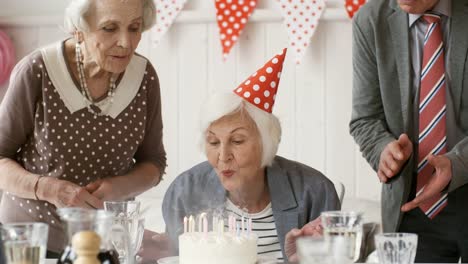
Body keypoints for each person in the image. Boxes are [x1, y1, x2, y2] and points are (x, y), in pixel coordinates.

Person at [139, 49, 339, 263]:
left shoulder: (314, 191)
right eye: (213, 142)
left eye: (237, 141)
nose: (223, 156)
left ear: (266, 143)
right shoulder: (185, 191)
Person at [0, 0, 166, 256]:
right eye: (110, 28)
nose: (126, 41)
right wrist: (49, 189)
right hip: (32, 244)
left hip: (106, 242)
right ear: (78, 29)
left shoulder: (144, 77)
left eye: (135, 28)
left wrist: (118, 188)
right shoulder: (37, 71)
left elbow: (154, 163)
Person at [350, 0, 468, 262]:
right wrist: (383, 150)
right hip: (410, 205)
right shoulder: (371, 20)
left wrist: (458, 164)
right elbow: (365, 119)